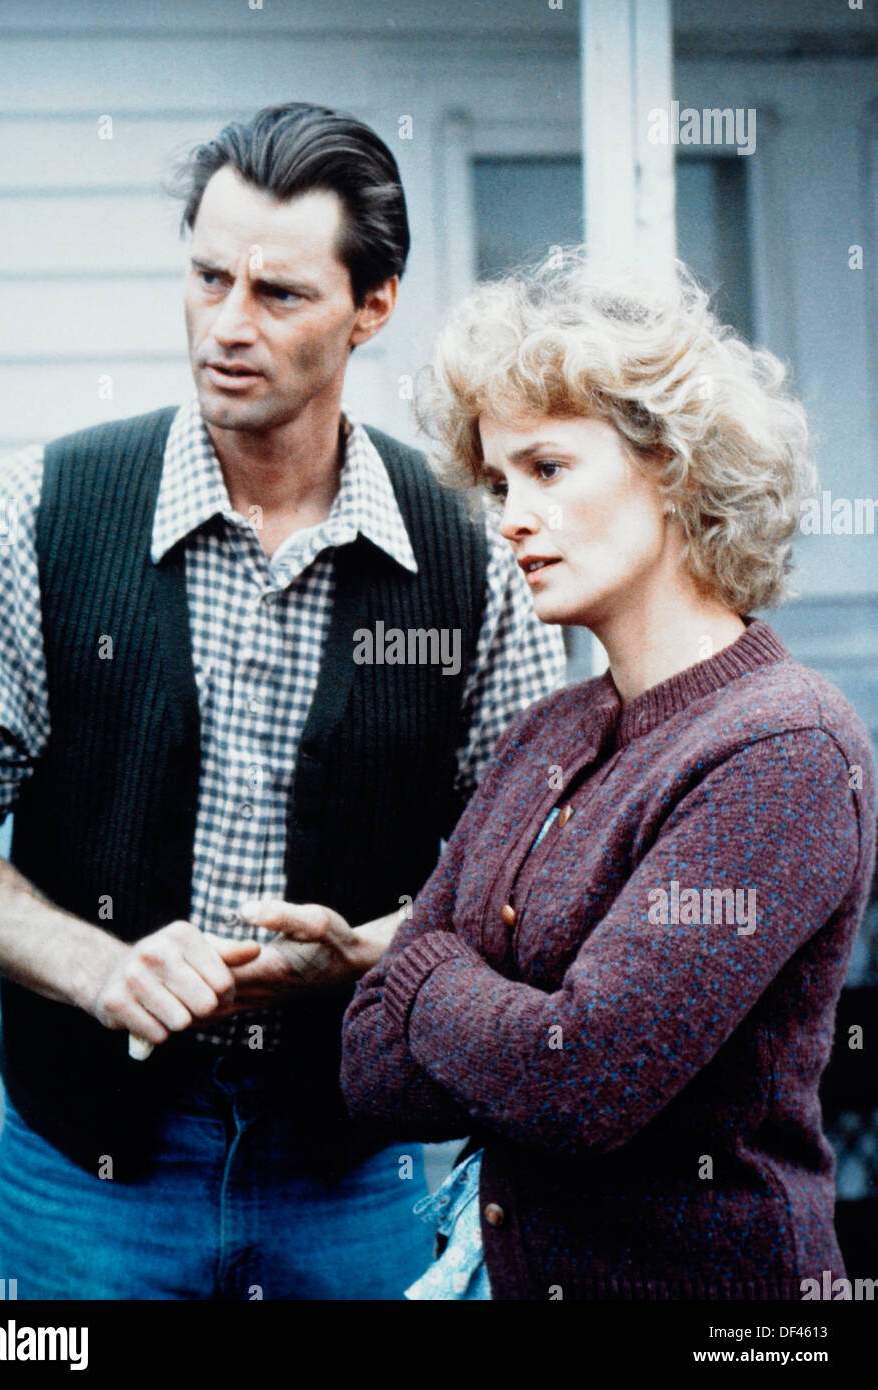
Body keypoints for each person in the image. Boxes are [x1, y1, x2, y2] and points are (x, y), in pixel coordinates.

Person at [0, 103, 566, 1301]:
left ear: (371, 307)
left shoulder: (472, 555)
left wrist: (374, 954)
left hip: (357, 1169)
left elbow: (532, 878)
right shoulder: (39, 512)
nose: (227, 325)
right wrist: (97, 966)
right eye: (207, 276)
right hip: (88, 1171)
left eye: (278, 294)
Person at [339, 252, 877, 1300]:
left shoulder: (782, 746)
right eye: (498, 483)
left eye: (546, 469)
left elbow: (576, 1079)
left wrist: (419, 970)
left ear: (671, 466)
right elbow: (368, 1071)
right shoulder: (551, 730)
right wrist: (496, 1007)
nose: (508, 518)